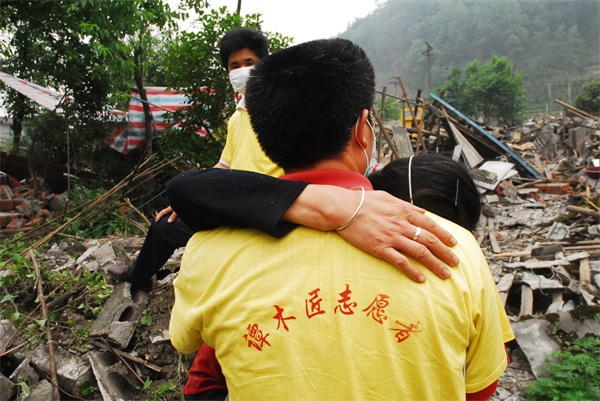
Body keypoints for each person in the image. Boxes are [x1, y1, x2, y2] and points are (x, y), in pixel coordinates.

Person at [169, 38, 513, 400]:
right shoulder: (453, 246)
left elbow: (187, 343)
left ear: (264, 135)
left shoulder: (208, 252)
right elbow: (479, 387)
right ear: (363, 128)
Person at [108, 27, 461, 292]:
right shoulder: (238, 119)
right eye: (234, 65)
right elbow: (222, 168)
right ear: (363, 130)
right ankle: (139, 278)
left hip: (284, 205)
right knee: (165, 225)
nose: (242, 70)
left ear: (267, 67)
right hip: (233, 200)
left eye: (250, 63)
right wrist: (193, 198)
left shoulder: (286, 118)